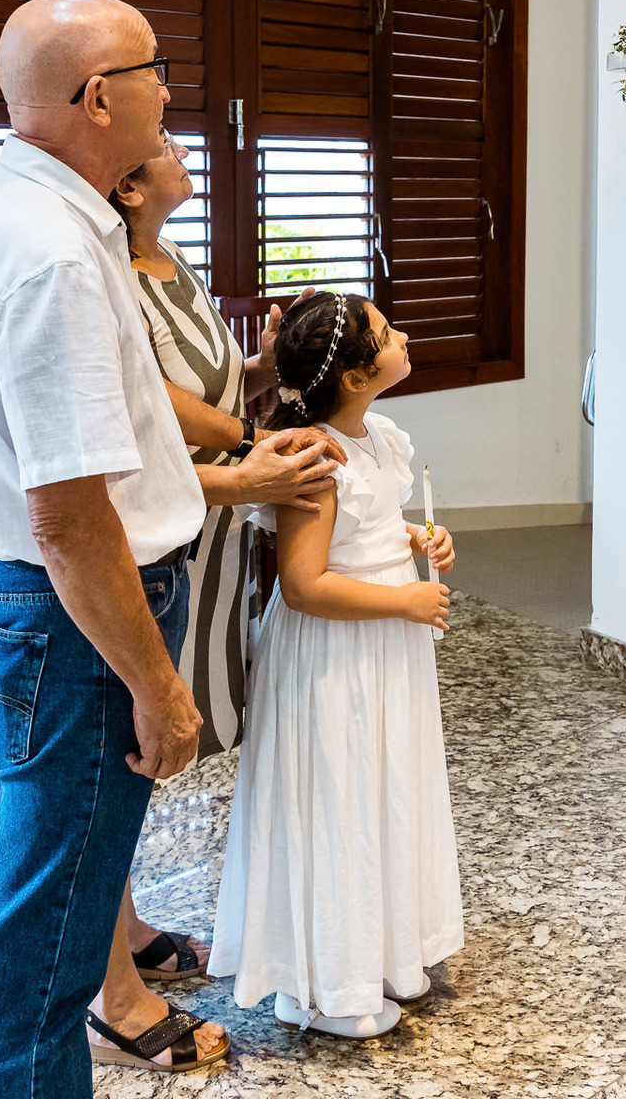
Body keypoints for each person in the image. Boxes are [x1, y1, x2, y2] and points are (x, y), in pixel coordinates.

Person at [0, 0, 342, 1096]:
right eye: (160, 69)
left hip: (47, 615)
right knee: (47, 951)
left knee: (35, 907)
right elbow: (71, 520)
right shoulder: (54, 257)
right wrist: (158, 689)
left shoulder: (32, 214)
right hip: (75, 632)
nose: (174, 93)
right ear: (102, 95)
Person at [208, 290, 463, 1039]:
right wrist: (406, 603)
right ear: (354, 376)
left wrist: (421, 543)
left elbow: (371, 528)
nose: (404, 333)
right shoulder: (313, 458)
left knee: (379, 789)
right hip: (333, 651)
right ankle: (320, 984)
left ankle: (372, 952)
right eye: (387, 333)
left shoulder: (381, 436)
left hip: (381, 647)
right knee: (335, 796)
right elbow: (305, 583)